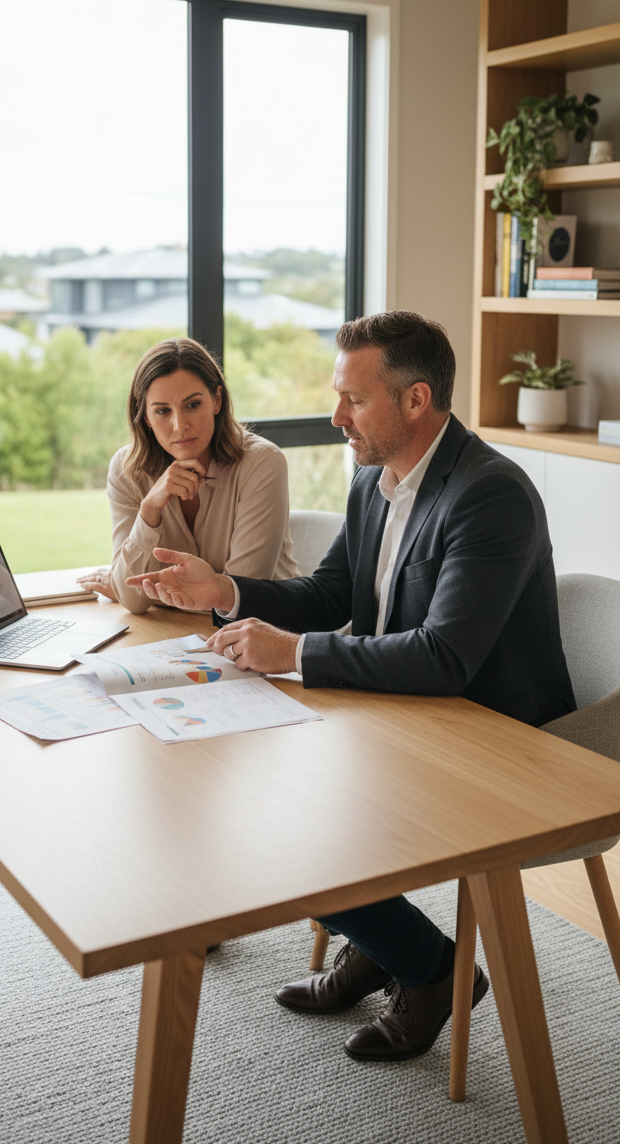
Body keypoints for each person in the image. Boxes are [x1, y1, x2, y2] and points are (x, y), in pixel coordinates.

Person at [124, 311, 575, 1065]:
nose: (336, 417)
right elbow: (332, 593)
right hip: (411, 711)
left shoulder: (491, 495)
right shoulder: (375, 479)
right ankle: (385, 947)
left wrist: (295, 650)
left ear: (416, 401)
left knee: (285, 809)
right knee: (248, 776)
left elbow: (444, 658)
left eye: (353, 401)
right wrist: (227, 589)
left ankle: (430, 970)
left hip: (498, 739)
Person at [79, 337, 298, 613]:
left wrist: (146, 592)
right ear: (145, 417)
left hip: (269, 635)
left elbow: (241, 596)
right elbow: (133, 601)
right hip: (183, 639)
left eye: (192, 405)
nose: (180, 425)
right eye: (162, 411)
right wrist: (149, 509)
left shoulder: (263, 463)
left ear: (217, 400)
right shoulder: (126, 470)